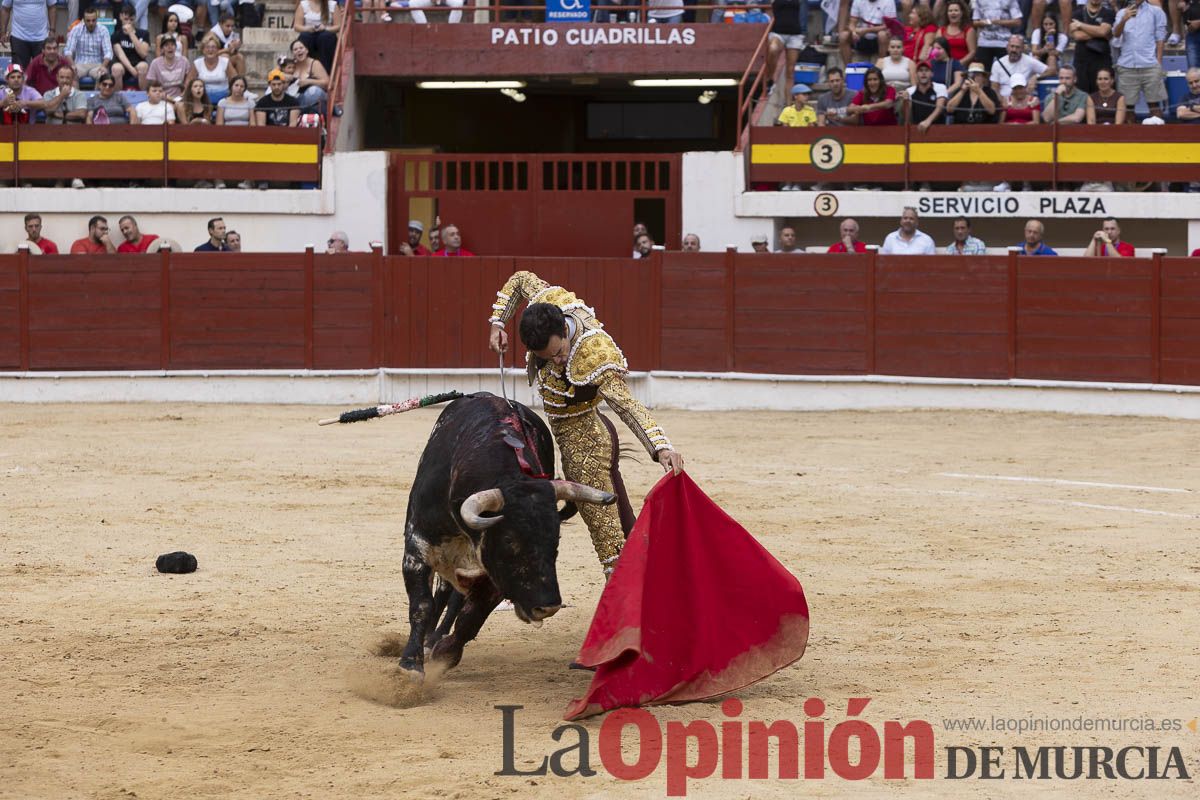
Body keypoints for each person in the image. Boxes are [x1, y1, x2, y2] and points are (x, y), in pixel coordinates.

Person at [486, 271, 684, 575]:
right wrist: (498, 322)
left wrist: (661, 448)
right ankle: (651, 578)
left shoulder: (595, 353)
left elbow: (626, 406)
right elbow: (520, 279)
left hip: (583, 433)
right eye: (547, 357)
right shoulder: (547, 303)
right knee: (617, 515)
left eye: (559, 353)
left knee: (605, 530)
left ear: (565, 333)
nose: (557, 362)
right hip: (568, 428)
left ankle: (624, 600)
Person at [1112, 0, 1168, 118]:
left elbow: (1160, 38)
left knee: (1154, 105)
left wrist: (1158, 63)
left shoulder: (1156, 12)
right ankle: (1130, 136)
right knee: (1127, 108)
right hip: (1127, 66)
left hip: (1150, 66)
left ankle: (1159, 135)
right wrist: (1124, 19)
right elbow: (1116, 34)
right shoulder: (1122, 13)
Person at [765, 0, 808, 98]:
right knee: (773, 49)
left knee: (790, 71)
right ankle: (769, 78)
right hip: (778, 32)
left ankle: (788, 107)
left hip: (795, 34)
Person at [1071, 0, 1115, 94]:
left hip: (1101, 61)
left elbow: (1103, 31)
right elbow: (1078, 35)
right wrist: (1099, 32)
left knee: (1102, 95)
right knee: (1082, 96)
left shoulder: (1108, 13)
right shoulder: (1077, 13)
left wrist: (1081, 25)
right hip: (1081, 62)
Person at [63, 8, 113, 83]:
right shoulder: (76, 29)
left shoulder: (103, 30)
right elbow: (68, 51)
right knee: (71, 74)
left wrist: (103, 66)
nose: (91, 23)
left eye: (93, 20)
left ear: (97, 19)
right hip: (80, 64)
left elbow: (108, 52)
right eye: (88, 21)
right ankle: (77, 95)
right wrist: (72, 65)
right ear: (83, 20)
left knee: (103, 76)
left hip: (97, 64)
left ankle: (98, 95)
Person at [1, 0, 53, 70]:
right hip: (18, 36)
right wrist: (3, 32)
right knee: (18, 72)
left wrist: (52, 30)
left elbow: (52, 7)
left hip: (41, 37)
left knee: (42, 72)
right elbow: (5, 9)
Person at [840, 0, 895, 66]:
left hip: (878, 40)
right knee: (843, 36)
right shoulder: (858, 1)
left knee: (882, 35)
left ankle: (880, 68)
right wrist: (853, 31)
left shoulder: (888, 1)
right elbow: (852, 22)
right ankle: (849, 69)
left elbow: (889, 25)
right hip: (860, 37)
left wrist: (867, 30)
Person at [971, 0, 1023, 69]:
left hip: (1004, 43)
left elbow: (1018, 21)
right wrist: (984, 22)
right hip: (984, 43)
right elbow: (975, 22)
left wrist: (998, 22)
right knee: (982, 73)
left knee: (1005, 71)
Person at [109, 4, 150, 90]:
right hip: (122, 63)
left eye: (131, 20)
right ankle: (118, 99)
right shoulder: (116, 35)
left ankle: (143, 97)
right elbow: (120, 54)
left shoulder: (143, 33)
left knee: (143, 67)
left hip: (138, 62)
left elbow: (143, 54)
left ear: (135, 18)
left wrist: (131, 34)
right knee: (116, 69)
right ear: (120, 17)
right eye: (126, 19)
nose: (128, 22)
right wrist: (131, 69)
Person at [292, 0, 339, 74]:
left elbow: (338, 26)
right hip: (309, 33)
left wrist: (325, 28)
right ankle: (306, 70)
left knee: (325, 37)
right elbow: (297, 26)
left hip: (326, 34)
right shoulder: (303, 4)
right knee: (304, 36)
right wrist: (308, 28)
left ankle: (326, 71)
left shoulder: (332, 5)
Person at [187, 34, 234, 104]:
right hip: (202, 98)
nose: (210, 50)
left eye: (213, 47)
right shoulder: (197, 63)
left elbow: (234, 80)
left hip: (223, 98)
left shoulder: (225, 62)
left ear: (218, 49)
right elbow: (188, 81)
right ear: (203, 50)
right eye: (207, 47)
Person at [286, 38, 328, 116]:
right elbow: (275, 75)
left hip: (314, 99)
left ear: (307, 50)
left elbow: (326, 83)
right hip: (296, 99)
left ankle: (303, 116)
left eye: (301, 48)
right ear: (293, 53)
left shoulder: (315, 63)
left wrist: (309, 81)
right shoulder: (290, 65)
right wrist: (285, 76)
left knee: (313, 91)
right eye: (295, 49)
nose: (299, 50)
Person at [907, 59, 948, 131]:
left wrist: (928, 121)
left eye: (926, 70)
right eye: (920, 71)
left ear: (932, 74)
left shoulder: (941, 87)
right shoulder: (909, 91)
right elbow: (907, 115)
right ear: (916, 74)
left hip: (939, 128)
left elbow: (939, 107)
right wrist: (904, 102)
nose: (923, 73)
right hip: (917, 129)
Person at [936, 0, 976, 69]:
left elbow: (972, 52)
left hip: (962, 67)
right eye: (950, 11)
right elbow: (936, 50)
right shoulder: (941, 30)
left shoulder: (969, 30)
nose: (953, 13)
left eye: (956, 10)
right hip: (944, 67)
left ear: (962, 13)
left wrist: (958, 64)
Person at [146, 34, 188, 101]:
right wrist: (164, 96)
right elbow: (152, 86)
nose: (170, 47)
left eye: (172, 45)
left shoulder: (184, 61)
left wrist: (184, 92)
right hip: (161, 97)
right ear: (162, 49)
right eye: (166, 45)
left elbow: (189, 80)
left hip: (180, 97)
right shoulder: (155, 63)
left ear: (176, 47)